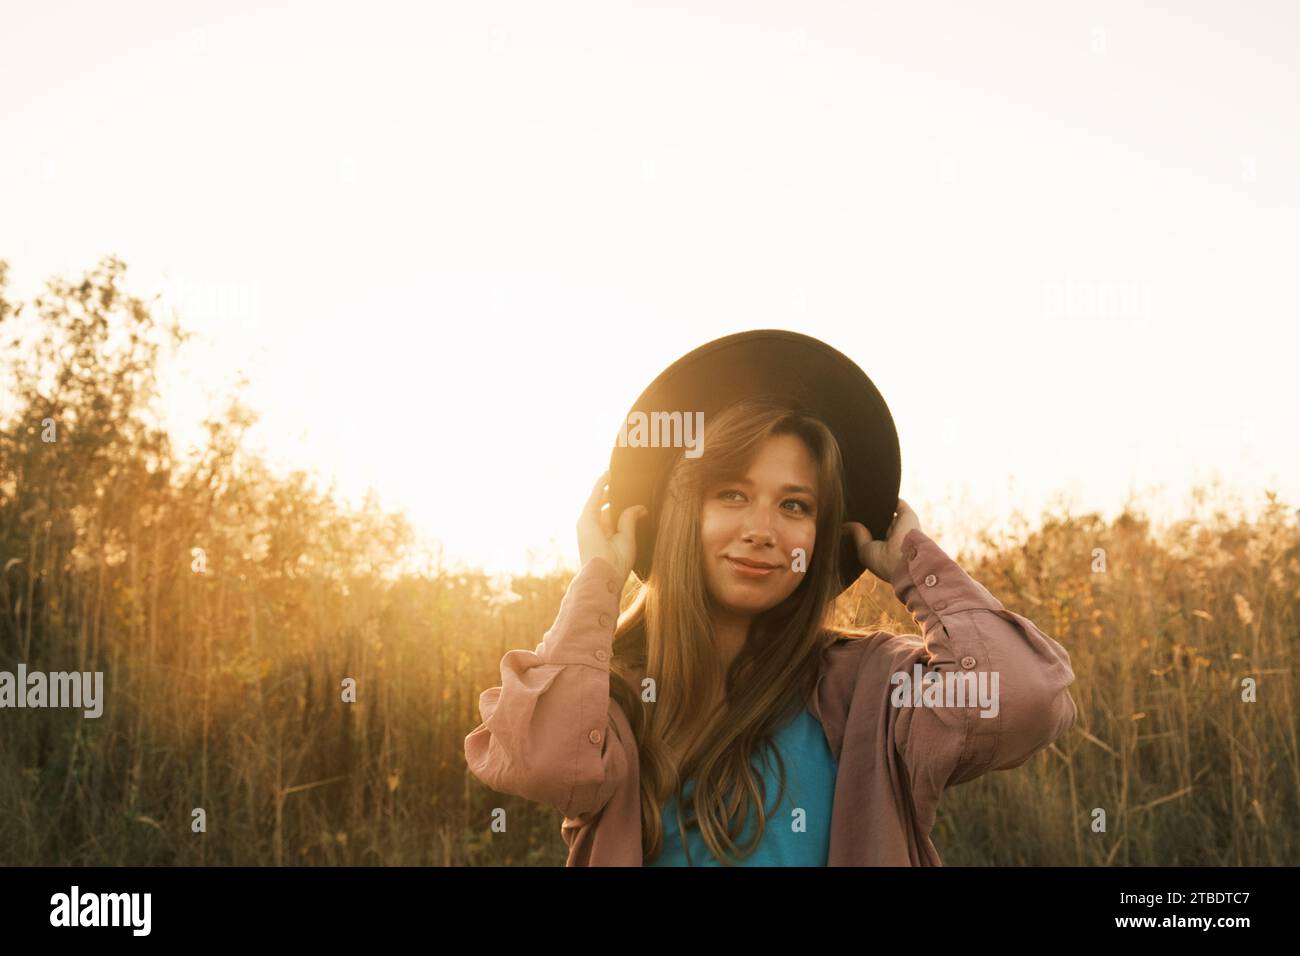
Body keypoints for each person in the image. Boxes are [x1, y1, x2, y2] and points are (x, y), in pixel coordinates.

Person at [465, 332, 1077, 866]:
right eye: (731, 494)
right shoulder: (615, 695)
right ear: (682, 516)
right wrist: (599, 578)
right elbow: (537, 760)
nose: (764, 529)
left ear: (820, 532)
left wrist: (915, 564)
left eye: (794, 505)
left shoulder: (870, 689)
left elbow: (1023, 700)